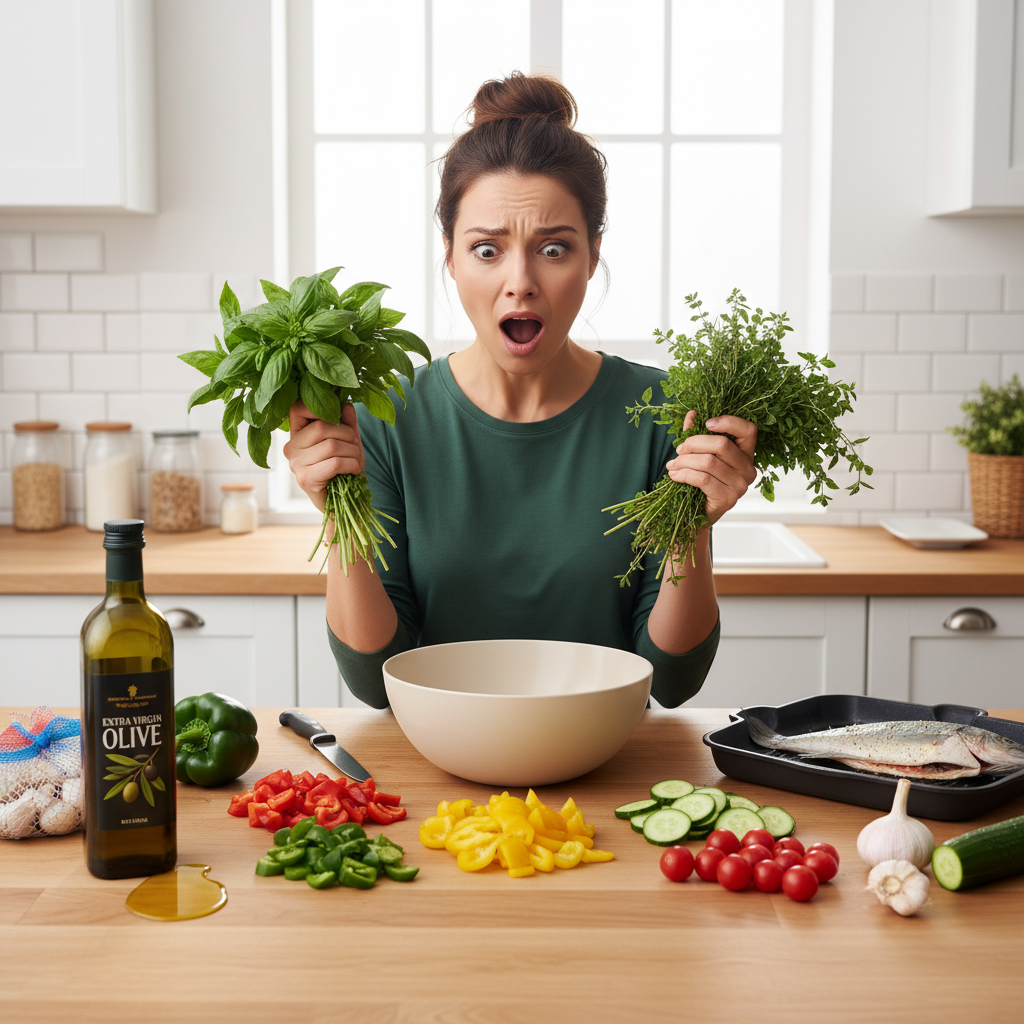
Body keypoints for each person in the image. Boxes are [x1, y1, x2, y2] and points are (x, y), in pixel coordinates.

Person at [284, 72, 757, 709]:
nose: (520, 281)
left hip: (607, 764)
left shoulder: (663, 414)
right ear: (449, 256)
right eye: (487, 249)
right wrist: (338, 505)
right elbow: (376, 681)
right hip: (443, 770)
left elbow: (671, 681)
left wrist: (692, 526)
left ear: (593, 255)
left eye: (554, 248)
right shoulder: (384, 416)